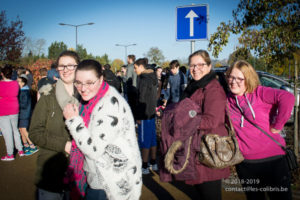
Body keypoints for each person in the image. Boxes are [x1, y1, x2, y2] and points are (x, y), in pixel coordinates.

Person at [63, 59, 142, 200]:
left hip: (108, 182)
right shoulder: (92, 100)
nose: (82, 88)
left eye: (89, 82)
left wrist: (73, 121)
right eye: (78, 82)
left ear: (100, 80)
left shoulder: (109, 104)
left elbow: (94, 150)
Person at [226, 60, 295, 200]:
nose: (233, 81)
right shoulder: (227, 100)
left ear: (248, 79)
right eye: (231, 77)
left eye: (239, 78)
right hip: (246, 165)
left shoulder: (259, 92)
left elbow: (288, 98)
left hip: (273, 162)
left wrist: (277, 125)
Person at [29, 50, 81, 200]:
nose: (66, 70)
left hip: (81, 173)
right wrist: (64, 145)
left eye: (71, 66)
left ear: (78, 68)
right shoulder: (47, 96)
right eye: (62, 66)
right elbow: (35, 132)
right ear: (57, 69)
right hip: (51, 172)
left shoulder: (87, 97)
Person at [180, 50, 230, 200]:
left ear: (209, 66)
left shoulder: (212, 89)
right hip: (197, 149)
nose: (195, 69)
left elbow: (212, 120)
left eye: (200, 64)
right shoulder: (194, 86)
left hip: (209, 150)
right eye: (192, 65)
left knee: (210, 194)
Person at [133, 58, 158, 175]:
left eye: (135, 67)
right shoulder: (153, 77)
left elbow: (141, 98)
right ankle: (153, 162)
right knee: (152, 139)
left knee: (144, 141)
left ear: (141, 67)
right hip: (152, 113)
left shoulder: (143, 79)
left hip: (144, 114)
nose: (134, 70)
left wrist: (138, 116)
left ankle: (144, 166)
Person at [0, 65, 24, 161]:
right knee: (15, 130)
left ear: (2, 74)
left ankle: (10, 154)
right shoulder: (15, 84)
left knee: (7, 133)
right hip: (14, 108)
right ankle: (20, 150)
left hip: (3, 110)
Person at [17, 74, 38, 156]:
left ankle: (33, 146)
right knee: (21, 130)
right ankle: (26, 145)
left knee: (24, 130)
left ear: (23, 83)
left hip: (24, 114)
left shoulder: (24, 92)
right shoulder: (22, 91)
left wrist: (15, 104)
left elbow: (24, 104)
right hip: (22, 113)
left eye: (18, 81)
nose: (17, 83)